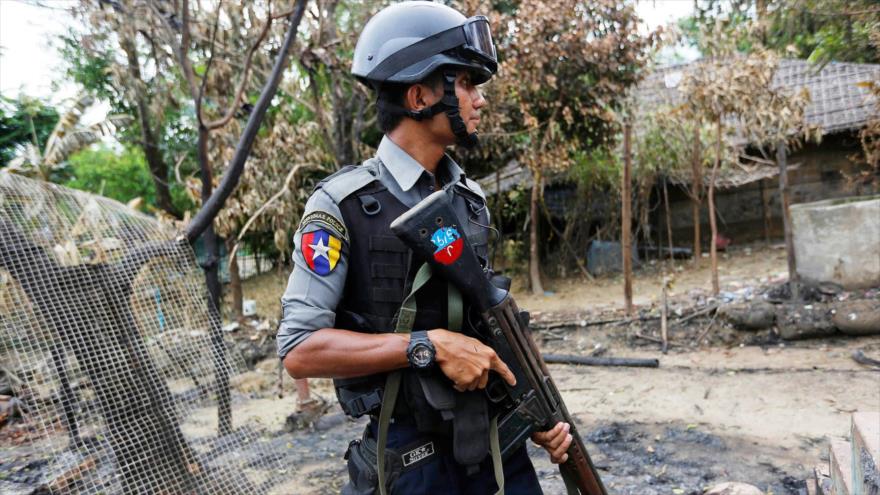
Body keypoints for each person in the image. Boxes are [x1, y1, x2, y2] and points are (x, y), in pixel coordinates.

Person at [277, 2, 571, 493]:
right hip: (414, 462)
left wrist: (537, 410)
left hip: (500, 452)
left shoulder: (469, 200)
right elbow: (300, 350)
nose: (480, 100)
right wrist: (427, 347)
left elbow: (488, 323)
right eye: (467, 84)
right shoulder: (342, 206)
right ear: (419, 96)